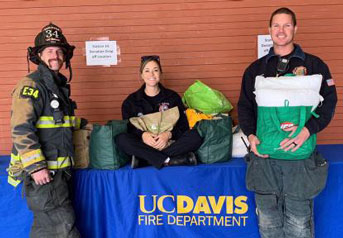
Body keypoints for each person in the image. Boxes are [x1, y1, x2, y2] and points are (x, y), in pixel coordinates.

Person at [238, 8, 337, 238]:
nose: (281, 31)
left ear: (295, 28)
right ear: (269, 30)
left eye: (286, 25)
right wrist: (251, 136)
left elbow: (329, 102)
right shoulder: (256, 70)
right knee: (268, 222)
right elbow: (244, 107)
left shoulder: (315, 66)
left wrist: (307, 130)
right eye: (276, 26)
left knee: (299, 223)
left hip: (299, 161)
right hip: (265, 160)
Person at [8, 23, 90, 238]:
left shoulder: (56, 86)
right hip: (45, 175)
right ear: (39, 55)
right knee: (64, 230)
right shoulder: (32, 85)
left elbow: (57, 123)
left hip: (60, 175)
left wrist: (86, 125)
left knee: (47, 230)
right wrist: (36, 167)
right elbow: (21, 128)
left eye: (59, 51)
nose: (56, 55)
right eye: (50, 51)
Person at [115, 55, 203, 169]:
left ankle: (145, 161)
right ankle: (169, 160)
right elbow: (128, 128)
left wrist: (168, 135)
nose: (151, 75)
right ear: (141, 74)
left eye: (155, 70)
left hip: (169, 143)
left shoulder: (173, 97)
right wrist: (143, 135)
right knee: (121, 139)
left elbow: (183, 126)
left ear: (161, 73)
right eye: (147, 71)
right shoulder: (131, 101)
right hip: (144, 145)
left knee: (195, 136)